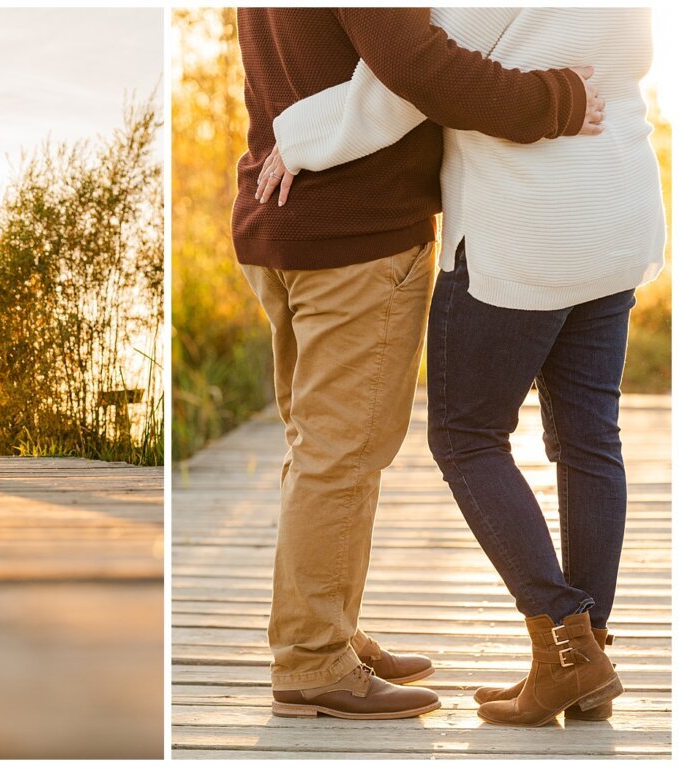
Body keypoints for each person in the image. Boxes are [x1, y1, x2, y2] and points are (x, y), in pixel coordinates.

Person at [258, 7, 665, 726]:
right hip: (617, 208)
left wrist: (298, 139)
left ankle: (569, 649)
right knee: (589, 438)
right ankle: (585, 658)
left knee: (468, 436)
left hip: (527, 221)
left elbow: (410, 81)